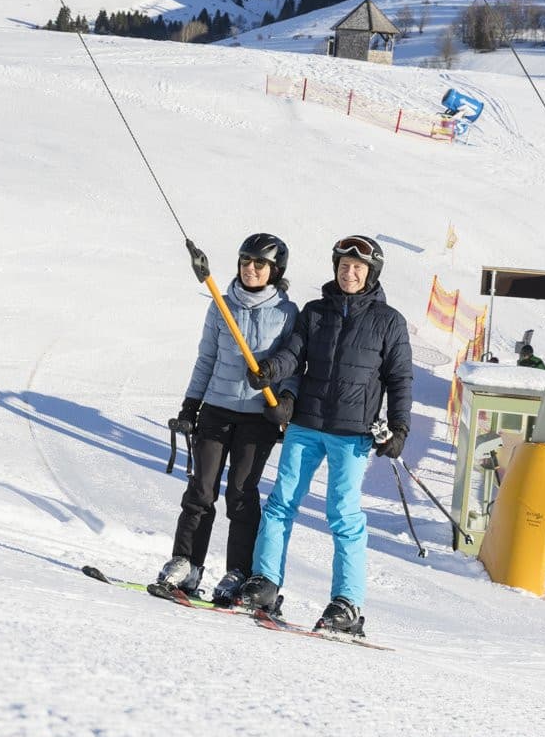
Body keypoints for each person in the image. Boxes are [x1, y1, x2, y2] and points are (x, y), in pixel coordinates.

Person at [237, 234, 413, 636]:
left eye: (358, 268)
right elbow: (294, 354)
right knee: (281, 503)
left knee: (343, 514)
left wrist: (399, 427)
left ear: (371, 273)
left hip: (353, 433)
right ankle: (265, 582)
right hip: (306, 424)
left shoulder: (389, 321)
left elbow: (400, 379)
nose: (349, 273)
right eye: (344, 266)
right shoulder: (315, 312)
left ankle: (346, 603)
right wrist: (271, 370)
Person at [155, 233, 299, 604]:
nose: (250, 268)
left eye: (260, 263)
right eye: (245, 260)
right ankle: (187, 563)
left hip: (258, 417)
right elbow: (206, 359)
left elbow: (293, 367)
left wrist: (286, 401)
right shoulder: (221, 304)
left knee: (241, 495)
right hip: (216, 410)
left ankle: (238, 571)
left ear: (275, 270)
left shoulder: (287, 313)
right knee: (200, 490)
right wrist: (191, 406)